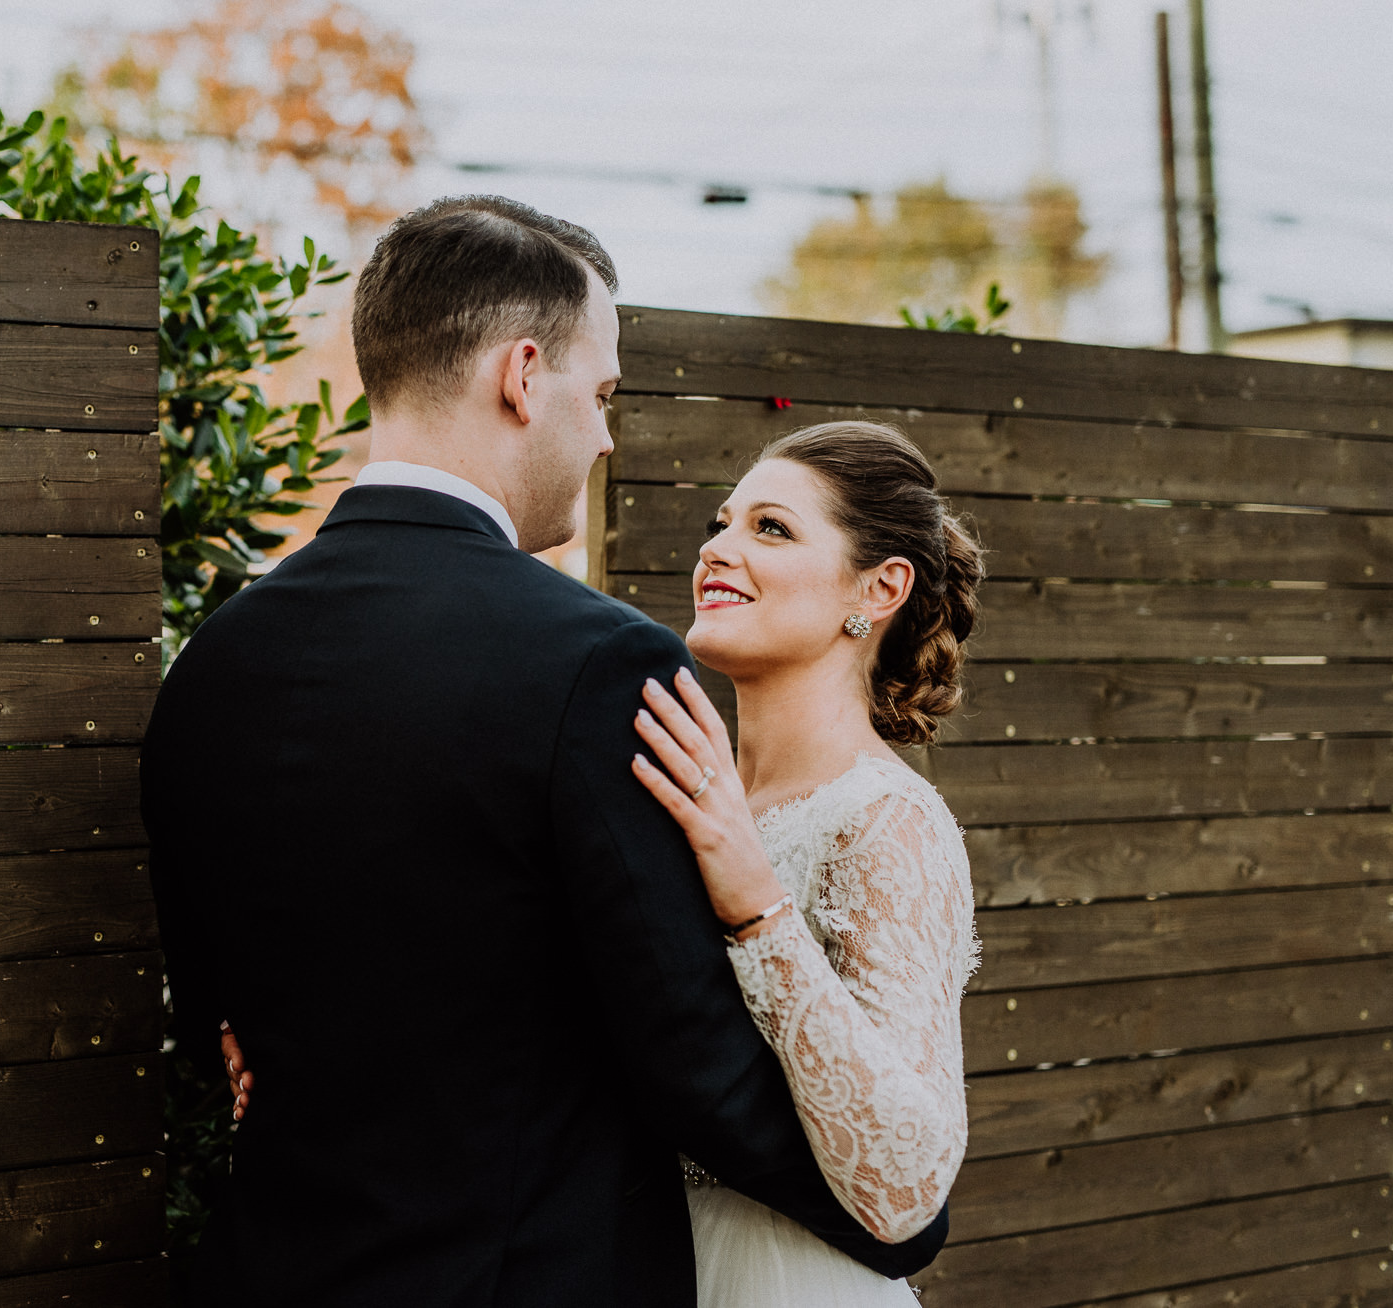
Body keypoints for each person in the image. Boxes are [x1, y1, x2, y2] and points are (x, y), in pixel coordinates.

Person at [142, 196, 947, 1308]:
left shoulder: (214, 663)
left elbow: (212, 1018)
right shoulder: (598, 663)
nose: (607, 435)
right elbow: (688, 1056)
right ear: (524, 376)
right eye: (603, 393)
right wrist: (893, 1221)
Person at [628, 422, 984, 1304]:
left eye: (770, 528)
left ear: (879, 587)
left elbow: (906, 1182)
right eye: (722, 522)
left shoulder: (887, 822)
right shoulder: (694, 801)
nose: (717, 548)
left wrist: (758, 907)